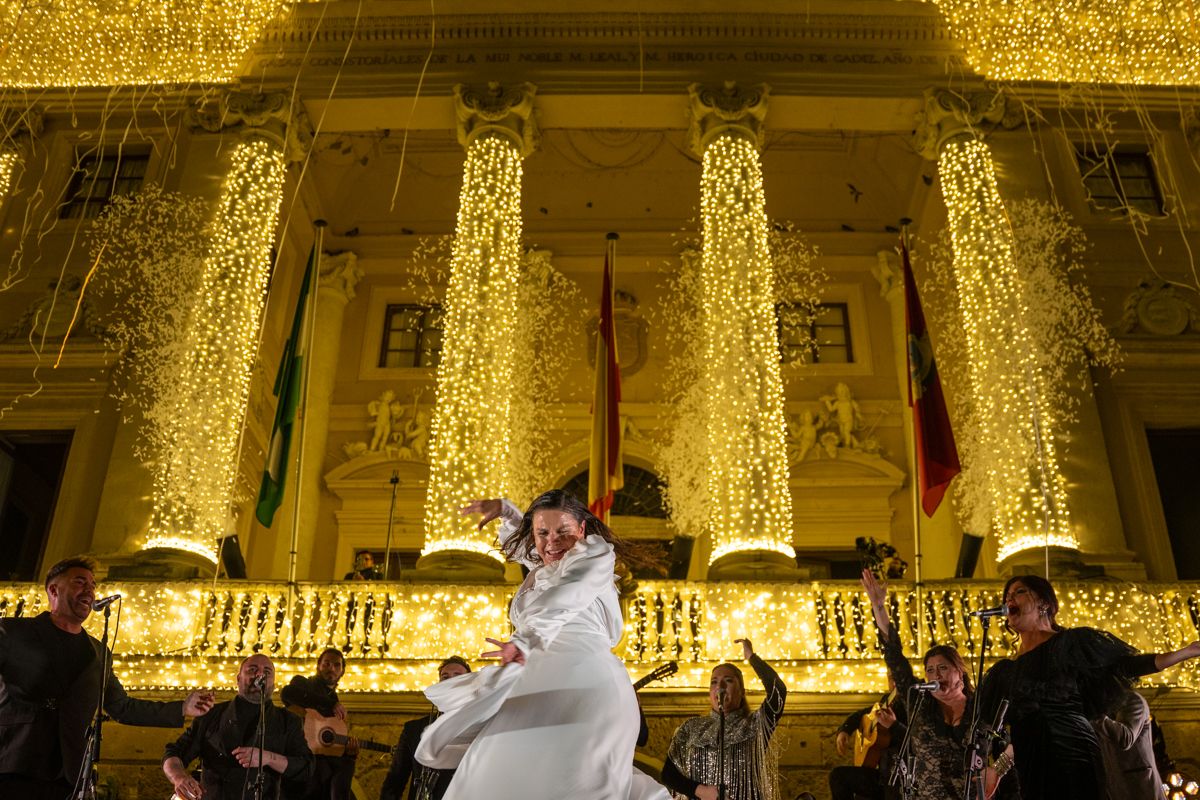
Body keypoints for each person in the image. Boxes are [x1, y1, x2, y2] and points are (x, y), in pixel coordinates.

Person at [413, 490, 670, 800]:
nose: (552, 542)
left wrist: (524, 641)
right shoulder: (544, 566)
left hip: (586, 685)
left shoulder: (594, 556)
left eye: (563, 532)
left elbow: (565, 596)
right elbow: (532, 551)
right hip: (537, 683)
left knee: (577, 780)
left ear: (582, 530)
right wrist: (507, 511)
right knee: (495, 769)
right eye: (542, 532)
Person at [0, 556, 214, 800]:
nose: (89, 591)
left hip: (67, 774)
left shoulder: (99, 653)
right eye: (80, 582)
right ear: (53, 590)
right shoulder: (12, 632)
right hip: (12, 761)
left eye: (93, 586)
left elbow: (122, 707)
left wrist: (182, 707)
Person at [977, 574, 1200, 800]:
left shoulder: (1070, 643)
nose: (1009, 599)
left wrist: (1184, 652)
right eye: (1007, 596)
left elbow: (1124, 666)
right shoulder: (1006, 671)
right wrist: (996, 768)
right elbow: (996, 724)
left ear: (1044, 603)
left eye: (1019, 592)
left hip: (1071, 749)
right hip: (1031, 759)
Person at [861, 569, 1014, 800]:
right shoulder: (919, 703)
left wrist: (996, 770)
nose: (935, 675)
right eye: (930, 670)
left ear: (960, 672)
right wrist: (878, 605)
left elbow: (1020, 739)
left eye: (943, 668)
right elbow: (894, 654)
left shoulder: (981, 707)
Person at [163, 653, 313, 800]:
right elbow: (174, 752)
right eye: (252, 669)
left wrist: (268, 758)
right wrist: (179, 777)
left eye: (267, 672)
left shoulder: (288, 720)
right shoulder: (211, 715)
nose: (260, 674)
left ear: (273, 684)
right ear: (238, 679)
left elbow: (306, 767)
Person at [662, 638, 787, 800]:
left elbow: (778, 691)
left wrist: (752, 657)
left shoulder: (756, 724)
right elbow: (668, 775)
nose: (719, 686)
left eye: (728, 681)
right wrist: (701, 791)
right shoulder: (690, 727)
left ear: (742, 691)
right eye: (714, 682)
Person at [380, 656, 472, 800]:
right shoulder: (414, 730)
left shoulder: (480, 727)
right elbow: (395, 781)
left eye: (458, 676)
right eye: (445, 677)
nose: (450, 681)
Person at [280, 648, 359, 800]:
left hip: (323, 771)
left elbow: (327, 746)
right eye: (326, 664)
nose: (331, 668)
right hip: (301, 767)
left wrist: (349, 753)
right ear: (318, 666)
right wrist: (330, 704)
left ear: (342, 671)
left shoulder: (336, 702)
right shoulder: (303, 683)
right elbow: (287, 694)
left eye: (337, 665)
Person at [829, 677, 906, 800]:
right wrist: (845, 730)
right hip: (882, 776)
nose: (894, 682)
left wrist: (894, 726)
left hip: (902, 779)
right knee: (838, 776)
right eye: (890, 678)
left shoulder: (915, 705)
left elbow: (915, 739)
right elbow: (860, 715)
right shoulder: (887, 700)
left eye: (897, 677)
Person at [1093, 688, 1166, 800]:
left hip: (1141, 789)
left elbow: (1126, 738)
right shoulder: (1100, 706)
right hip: (1117, 790)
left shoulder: (1132, 700)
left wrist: (1093, 715)